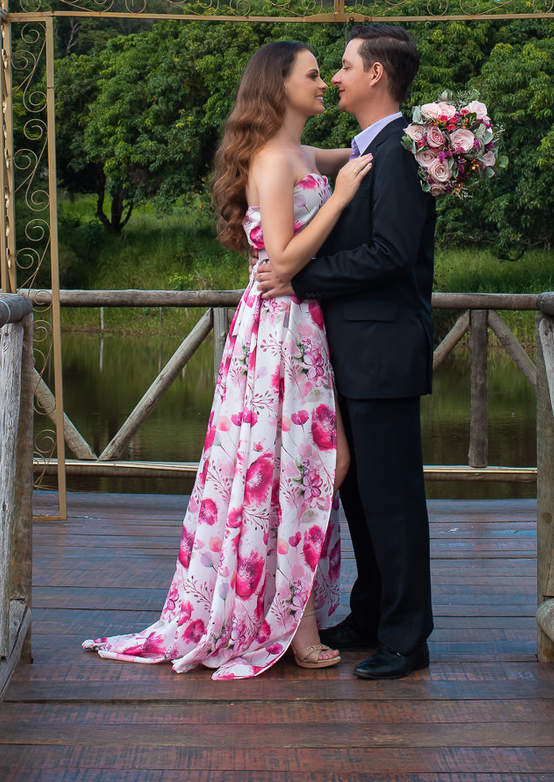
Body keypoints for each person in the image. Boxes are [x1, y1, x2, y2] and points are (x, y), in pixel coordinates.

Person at [83, 40, 372, 678]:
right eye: (313, 75)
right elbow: (286, 260)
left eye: (328, 74)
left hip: (303, 326)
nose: (324, 83)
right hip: (278, 326)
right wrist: (342, 199)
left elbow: (357, 149)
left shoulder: (298, 153)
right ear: (279, 86)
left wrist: (438, 135)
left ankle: (288, 608)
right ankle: (294, 624)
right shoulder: (271, 162)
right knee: (295, 465)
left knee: (311, 463)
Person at [258, 24, 436, 680]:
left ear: (376, 76)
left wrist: (300, 280)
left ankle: (407, 637)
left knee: (391, 499)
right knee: (358, 495)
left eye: (344, 65)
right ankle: (370, 612)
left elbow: (391, 254)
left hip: (382, 350)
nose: (335, 76)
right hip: (348, 351)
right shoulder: (365, 150)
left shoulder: (399, 153)